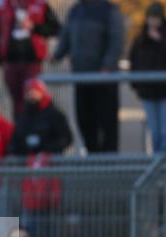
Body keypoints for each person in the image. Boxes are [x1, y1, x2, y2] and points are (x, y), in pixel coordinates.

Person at [11, 79, 71, 237]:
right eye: (29, 92)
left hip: (49, 177)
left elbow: (66, 139)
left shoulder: (54, 115)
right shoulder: (24, 116)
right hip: (29, 180)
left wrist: (45, 147)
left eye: (34, 92)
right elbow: (15, 142)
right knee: (31, 222)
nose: (31, 96)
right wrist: (27, 147)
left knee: (50, 223)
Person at [53, 0, 125, 153]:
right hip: (81, 77)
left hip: (104, 80)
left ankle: (110, 161)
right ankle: (93, 157)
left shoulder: (109, 11)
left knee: (106, 123)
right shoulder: (76, 11)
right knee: (84, 120)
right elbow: (66, 36)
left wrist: (107, 66)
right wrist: (56, 55)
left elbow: (116, 41)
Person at [0, 0, 60, 117]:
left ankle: (36, 130)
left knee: (33, 98)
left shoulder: (40, 4)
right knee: (17, 103)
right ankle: (21, 130)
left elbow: (56, 29)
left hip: (32, 62)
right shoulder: (2, 6)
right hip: (11, 63)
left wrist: (34, 27)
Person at [129, 3, 166, 154]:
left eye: (156, 18)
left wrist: (161, 40)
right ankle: (156, 166)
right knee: (154, 132)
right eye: (150, 18)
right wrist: (136, 85)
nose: (152, 22)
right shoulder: (140, 39)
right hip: (148, 92)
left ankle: (165, 166)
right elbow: (133, 61)